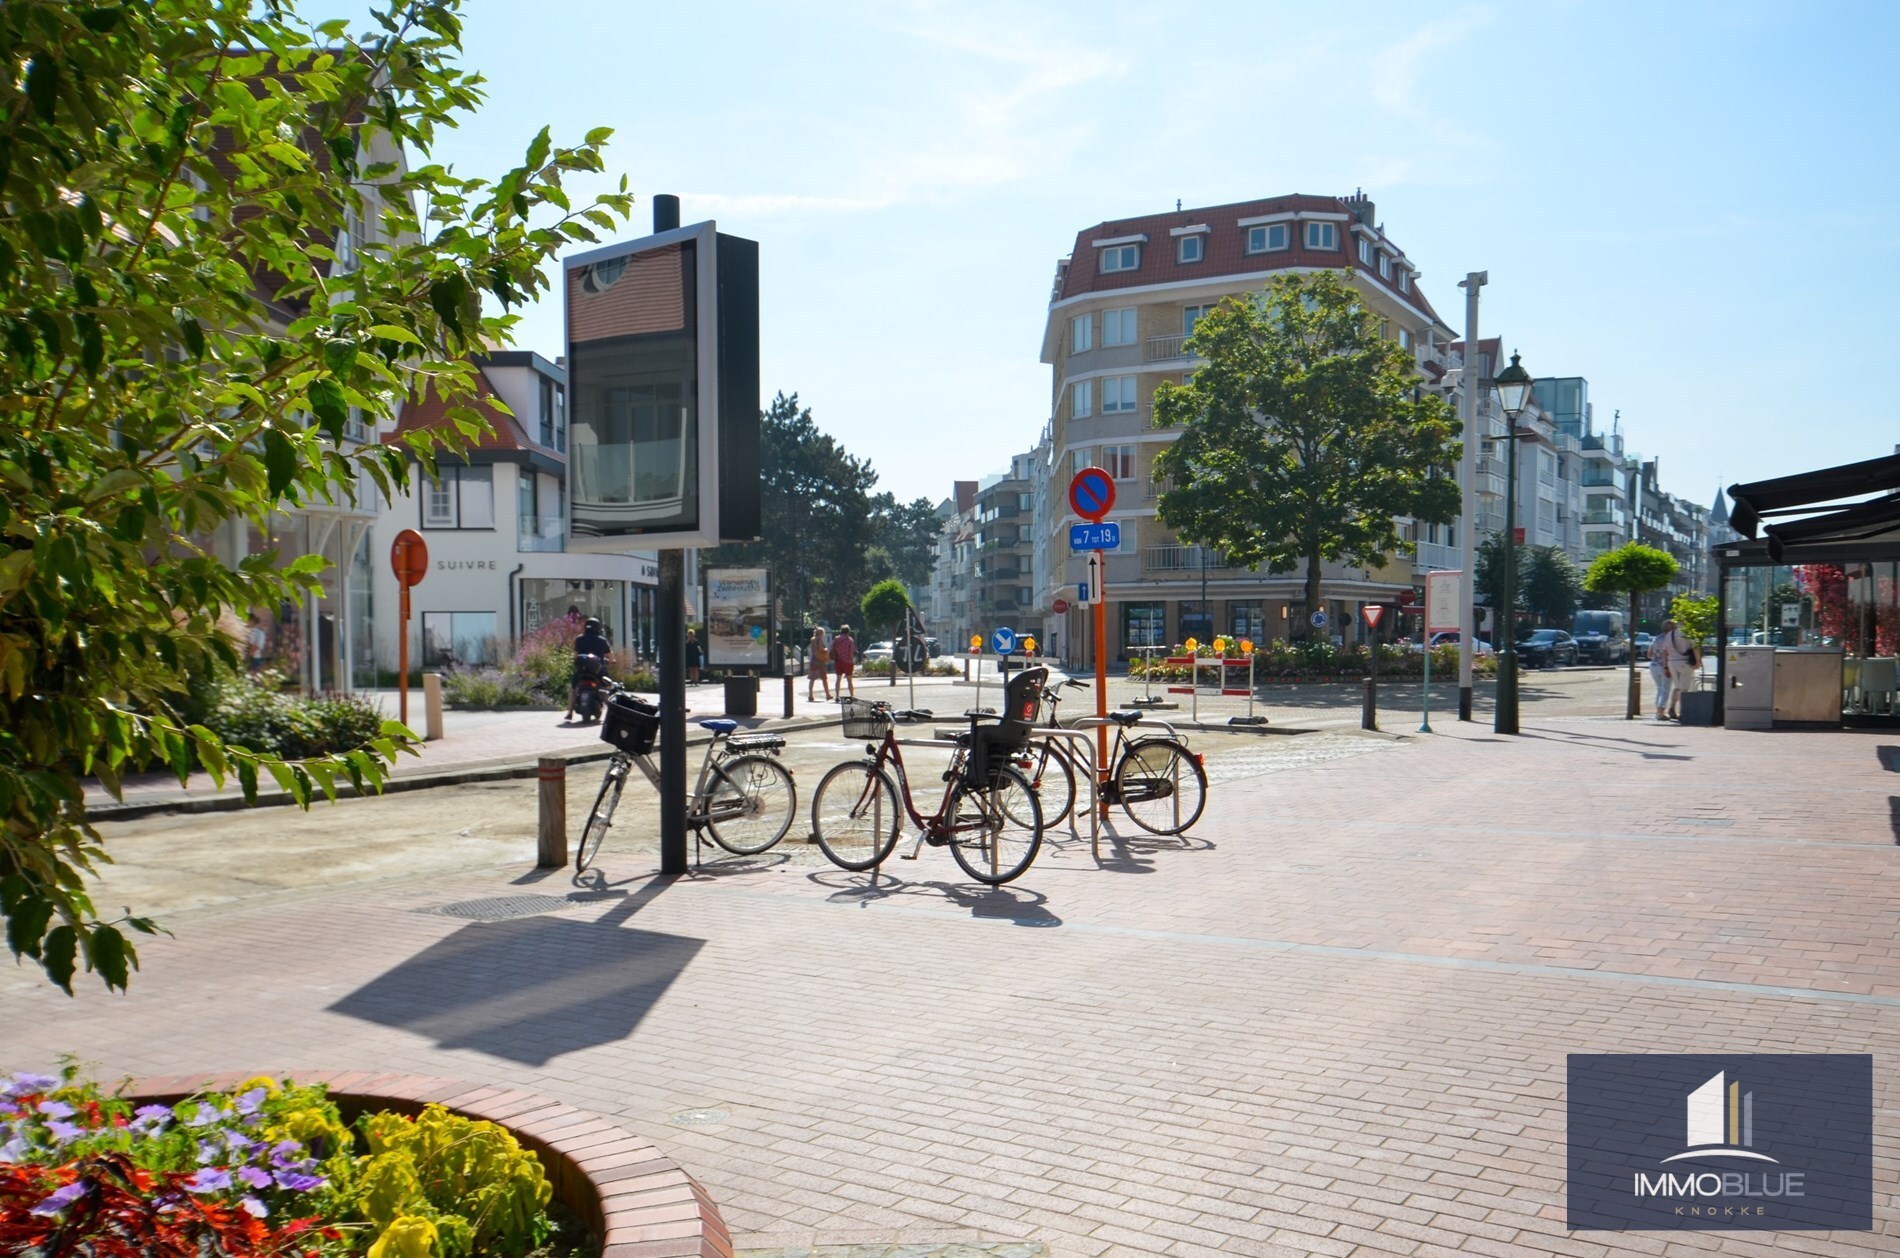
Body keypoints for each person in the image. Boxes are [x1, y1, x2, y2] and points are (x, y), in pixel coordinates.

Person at [565, 616, 613, 721]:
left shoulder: (579, 639)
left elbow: (575, 654)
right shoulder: (602, 640)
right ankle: (610, 712)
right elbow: (610, 656)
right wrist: (611, 661)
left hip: (581, 671)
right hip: (597, 671)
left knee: (573, 689)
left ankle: (569, 712)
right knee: (607, 687)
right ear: (598, 628)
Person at [1652, 618, 1696, 721]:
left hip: (1669, 663)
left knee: (1675, 687)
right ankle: (1682, 712)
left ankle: (1669, 708)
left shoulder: (1667, 636)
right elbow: (1695, 647)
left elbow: (1662, 652)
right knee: (1683, 689)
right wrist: (1698, 661)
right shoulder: (1688, 633)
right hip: (1683, 662)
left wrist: (1665, 666)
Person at [806, 626, 831, 701]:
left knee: (812, 679)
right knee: (824, 679)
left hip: (813, 660)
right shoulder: (819, 640)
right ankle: (827, 695)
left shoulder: (812, 640)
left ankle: (810, 695)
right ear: (821, 634)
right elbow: (821, 649)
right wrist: (826, 649)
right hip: (820, 661)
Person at [831, 623, 856, 699]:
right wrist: (852, 660)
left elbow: (832, 648)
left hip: (838, 661)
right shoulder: (850, 640)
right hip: (847, 662)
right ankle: (852, 695)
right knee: (849, 680)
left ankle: (837, 696)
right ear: (848, 631)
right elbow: (851, 652)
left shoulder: (836, 639)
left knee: (838, 679)